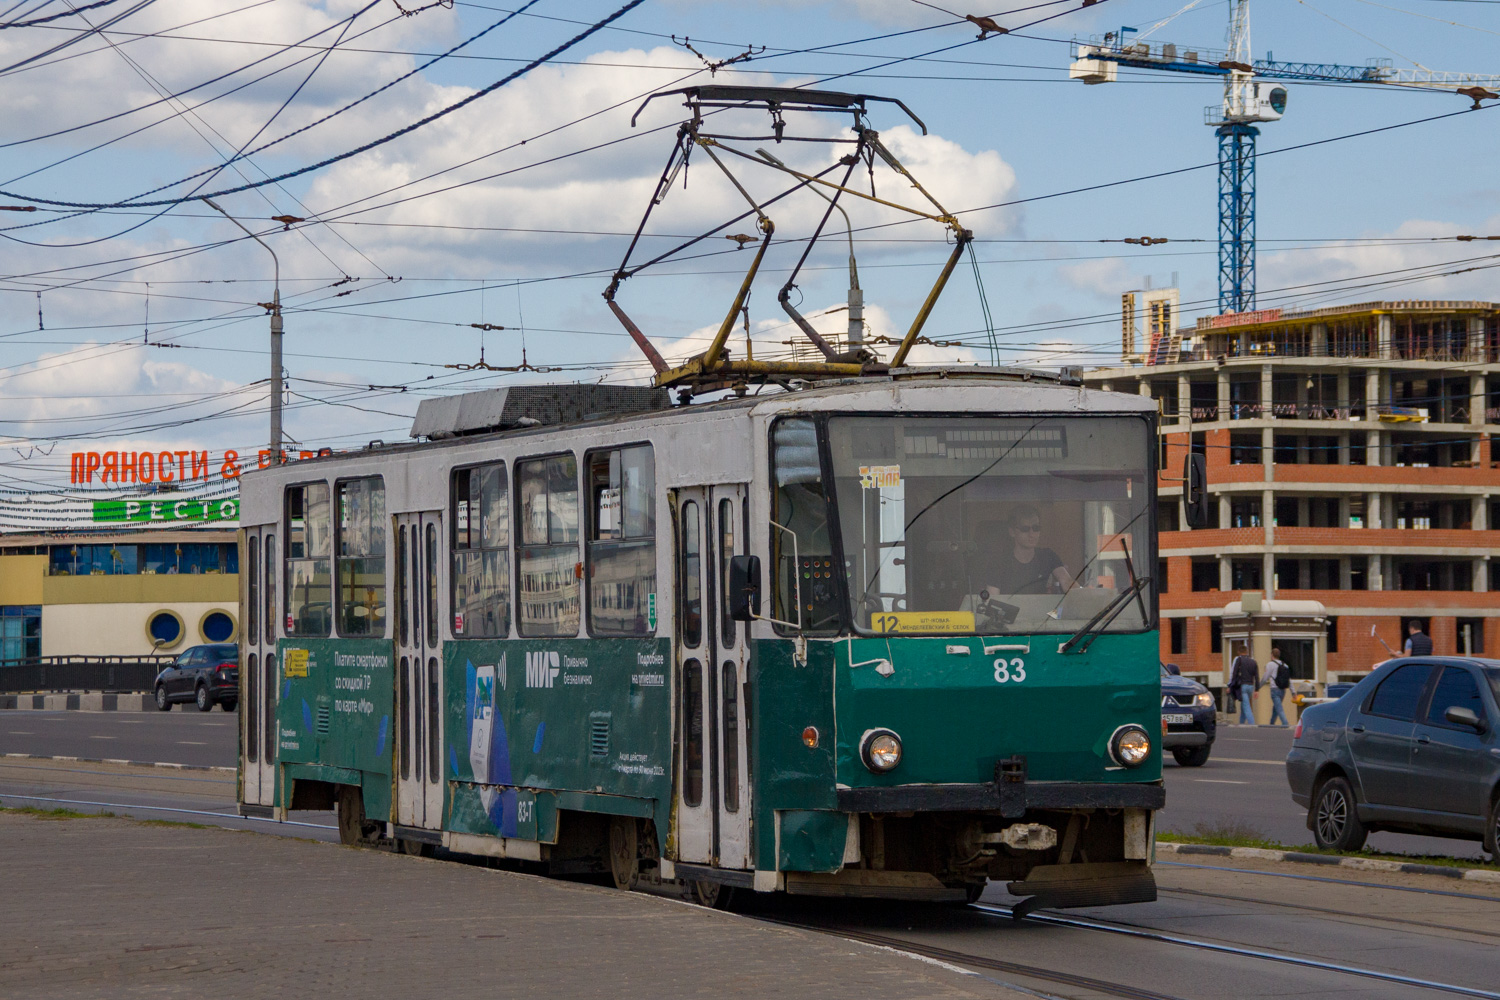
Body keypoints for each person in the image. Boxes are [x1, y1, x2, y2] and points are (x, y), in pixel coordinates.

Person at [985, 505, 1073, 596]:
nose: (1032, 534)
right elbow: (993, 599)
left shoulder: (1048, 556)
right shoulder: (999, 562)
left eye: (1036, 528)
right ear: (1012, 532)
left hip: (1042, 610)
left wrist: (1085, 593)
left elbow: (1067, 582)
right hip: (1009, 610)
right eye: (1025, 529)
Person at [1228, 644, 1260, 726]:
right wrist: (1257, 689)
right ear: (1247, 651)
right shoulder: (1253, 661)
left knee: (1246, 706)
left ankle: (1252, 724)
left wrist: (1230, 686)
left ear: (1239, 652)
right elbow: (1256, 676)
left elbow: (1234, 673)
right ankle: (1241, 723)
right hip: (1251, 686)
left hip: (1242, 686)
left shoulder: (1239, 660)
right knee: (1243, 705)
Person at [1263, 646, 1290, 727]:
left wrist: (1258, 687)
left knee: (1278, 708)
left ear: (1272, 655)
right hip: (1283, 689)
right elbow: (1289, 679)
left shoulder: (1270, 664)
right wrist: (1293, 692)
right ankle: (1272, 723)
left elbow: (1265, 677)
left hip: (1274, 689)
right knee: (1276, 707)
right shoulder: (1285, 665)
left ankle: (1285, 723)